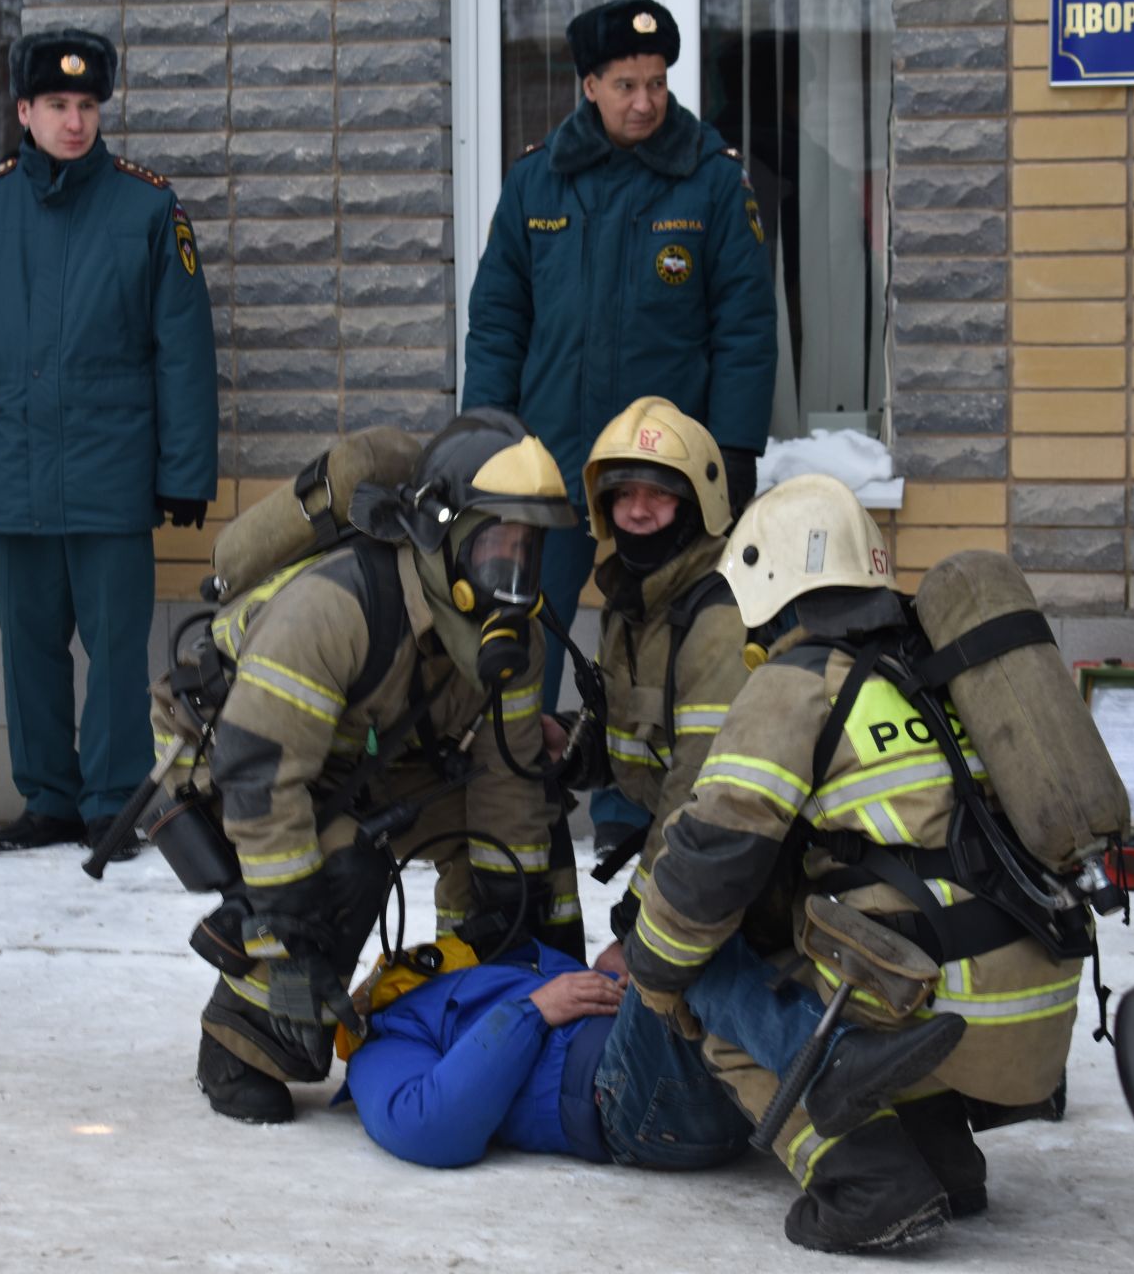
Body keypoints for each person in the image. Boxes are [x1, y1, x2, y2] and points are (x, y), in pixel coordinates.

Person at [624, 474, 1085, 1254]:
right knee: (868, 926)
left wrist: (653, 968)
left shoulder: (798, 684)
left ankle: (867, 1179)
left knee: (721, 982)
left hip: (937, 996)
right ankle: (947, 1162)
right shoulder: (936, 672)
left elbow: (714, 857)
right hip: (1036, 1004)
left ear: (769, 581)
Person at [163, 411, 591, 1126]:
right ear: (442, 535)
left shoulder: (510, 637)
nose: (511, 575)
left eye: (526, 549)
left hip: (363, 760)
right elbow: (258, 765)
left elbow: (505, 780)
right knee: (330, 874)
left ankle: (482, 1004)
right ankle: (244, 1042)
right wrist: (289, 893)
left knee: (526, 852)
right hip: (231, 765)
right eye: (493, 546)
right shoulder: (335, 607)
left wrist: (507, 907)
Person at [0, 28, 220, 852]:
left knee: (118, 651)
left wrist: (184, 471)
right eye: (57, 104)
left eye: (87, 105)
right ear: (24, 110)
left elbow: (184, 352)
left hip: (111, 475)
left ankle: (111, 802)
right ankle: (49, 797)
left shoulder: (149, 208)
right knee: (30, 650)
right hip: (11, 474)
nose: (75, 121)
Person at [461, 0, 777, 735]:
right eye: (628, 85)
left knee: (652, 643)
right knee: (528, 627)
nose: (646, 102)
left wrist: (732, 447)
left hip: (659, 474)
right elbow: (499, 323)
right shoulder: (535, 184)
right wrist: (488, 436)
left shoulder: (713, 183)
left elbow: (745, 328)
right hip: (552, 461)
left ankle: (628, 799)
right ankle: (518, 783)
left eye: (658, 82)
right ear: (589, 85)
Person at [344, 933, 961, 1173]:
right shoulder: (388, 1037)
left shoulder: (491, 972)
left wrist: (609, 970)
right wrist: (533, 1011)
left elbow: (590, 998)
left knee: (751, 931)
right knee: (682, 946)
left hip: (675, 1070)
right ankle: (834, 1058)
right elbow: (428, 1126)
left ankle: (938, 1144)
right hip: (631, 1106)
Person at [548, 397, 750, 941]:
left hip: (739, 885)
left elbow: (700, 794)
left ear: (697, 503)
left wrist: (639, 922)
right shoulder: (634, 602)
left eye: (659, 494)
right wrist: (571, 744)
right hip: (692, 873)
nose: (638, 512)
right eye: (624, 495)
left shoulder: (719, 617)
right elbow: (637, 735)